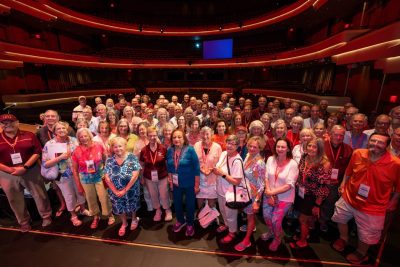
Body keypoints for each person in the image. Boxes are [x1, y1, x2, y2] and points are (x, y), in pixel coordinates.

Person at [332, 133, 400, 264]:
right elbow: (349, 171)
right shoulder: (358, 153)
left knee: (367, 234)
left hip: (373, 206)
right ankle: (343, 238)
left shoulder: (396, 164)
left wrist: (394, 201)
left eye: (380, 142)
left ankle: (361, 253)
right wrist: (343, 184)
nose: (375, 144)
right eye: (373, 141)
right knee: (340, 217)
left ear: (387, 145)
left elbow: (398, 187)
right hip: (349, 197)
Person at [0, 114, 52, 232]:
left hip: (30, 170)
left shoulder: (29, 135)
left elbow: (37, 151)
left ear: (17, 122)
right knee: (14, 199)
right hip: (7, 173)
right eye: (4, 123)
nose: (8, 125)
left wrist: (25, 166)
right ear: (1, 125)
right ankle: (23, 222)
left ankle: (46, 216)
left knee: (39, 194)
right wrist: (10, 170)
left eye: (11, 122)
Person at [42, 121, 89, 226]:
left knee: (80, 192)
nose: (62, 130)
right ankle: (73, 215)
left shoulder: (74, 140)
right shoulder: (50, 145)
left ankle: (82, 209)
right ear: (54, 131)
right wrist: (60, 158)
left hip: (77, 172)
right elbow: (45, 164)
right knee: (69, 196)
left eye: (63, 128)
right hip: (63, 176)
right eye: (58, 129)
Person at [290, 138, 331, 249]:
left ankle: (303, 241)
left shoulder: (324, 164)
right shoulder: (304, 157)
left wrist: (317, 205)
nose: (311, 149)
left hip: (312, 197)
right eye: (309, 146)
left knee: (303, 219)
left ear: (320, 149)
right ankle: (304, 234)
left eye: (315, 147)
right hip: (301, 193)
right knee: (303, 218)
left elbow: (324, 186)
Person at [72, 128, 114, 229]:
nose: (83, 138)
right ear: (78, 138)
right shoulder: (76, 150)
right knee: (90, 199)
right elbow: (74, 169)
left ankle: (110, 215)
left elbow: (106, 159)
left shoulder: (98, 145)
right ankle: (95, 216)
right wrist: (78, 185)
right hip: (86, 178)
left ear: (89, 135)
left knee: (104, 197)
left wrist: (107, 173)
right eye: (81, 137)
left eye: (85, 136)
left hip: (100, 175)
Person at [263, 138, 298, 251]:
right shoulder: (270, 159)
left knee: (275, 220)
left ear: (288, 149)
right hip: (269, 193)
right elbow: (266, 177)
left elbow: (289, 185)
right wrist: (269, 193)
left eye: (283, 147)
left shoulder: (293, 164)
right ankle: (271, 232)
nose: (280, 149)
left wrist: (272, 193)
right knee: (267, 217)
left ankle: (278, 238)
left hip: (285, 197)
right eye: (278, 146)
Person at [166, 129, 200, 237]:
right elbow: (170, 167)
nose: (176, 139)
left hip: (189, 183)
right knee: (177, 203)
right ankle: (180, 221)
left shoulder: (190, 150)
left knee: (190, 205)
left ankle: (190, 223)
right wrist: (170, 181)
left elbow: (196, 168)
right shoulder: (170, 150)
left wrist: (197, 185)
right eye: (174, 137)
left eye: (179, 137)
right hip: (176, 184)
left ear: (183, 138)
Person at [234, 137, 266, 252]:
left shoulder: (259, 163)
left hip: (252, 195)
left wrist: (257, 201)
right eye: (250, 146)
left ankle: (247, 240)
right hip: (245, 191)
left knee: (251, 217)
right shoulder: (248, 156)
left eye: (255, 147)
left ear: (260, 148)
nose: (252, 148)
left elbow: (262, 184)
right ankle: (249, 228)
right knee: (248, 216)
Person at [105, 137, 141, 236]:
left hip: (131, 189)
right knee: (119, 206)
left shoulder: (132, 157)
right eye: (115, 147)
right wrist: (115, 191)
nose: (118, 149)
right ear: (112, 148)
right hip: (115, 191)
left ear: (125, 146)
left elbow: (135, 175)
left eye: (120, 146)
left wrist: (125, 190)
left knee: (132, 205)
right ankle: (124, 223)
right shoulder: (109, 160)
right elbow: (107, 177)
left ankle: (134, 219)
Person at [320, 125, 353, 232]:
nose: (338, 137)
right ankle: (312, 219)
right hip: (319, 180)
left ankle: (323, 221)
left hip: (335, 182)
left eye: (341, 135)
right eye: (336, 134)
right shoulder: (321, 144)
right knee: (314, 201)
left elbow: (349, 169)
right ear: (330, 134)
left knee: (329, 203)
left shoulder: (348, 149)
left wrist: (343, 184)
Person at [213, 135, 244, 243]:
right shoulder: (223, 153)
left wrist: (222, 174)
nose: (229, 146)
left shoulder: (237, 161)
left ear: (238, 146)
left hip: (230, 192)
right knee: (223, 211)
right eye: (228, 143)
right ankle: (227, 225)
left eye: (233, 144)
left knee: (231, 214)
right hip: (221, 190)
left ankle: (232, 232)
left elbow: (237, 181)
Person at [140, 127, 172, 222]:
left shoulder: (163, 148)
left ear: (157, 136)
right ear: (147, 137)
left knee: (164, 194)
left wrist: (169, 176)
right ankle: (158, 210)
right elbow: (141, 164)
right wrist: (142, 178)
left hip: (162, 176)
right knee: (153, 195)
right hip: (149, 177)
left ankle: (167, 210)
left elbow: (167, 163)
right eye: (150, 136)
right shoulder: (144, 150)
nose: (153, 137)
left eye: (154, 135)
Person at [193, 127, 222, 211]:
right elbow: (193, 161)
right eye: (203, 134)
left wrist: (212, 169)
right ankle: (202, 221)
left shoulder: (217, 147)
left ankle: (211, 222)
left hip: (212, 178)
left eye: (207, 134)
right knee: (200, 204)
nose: (205, 136)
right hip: (199, 179)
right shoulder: (196, 145)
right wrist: (200, 168)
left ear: (212, 135)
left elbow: (220, 163)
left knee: (211, 204)